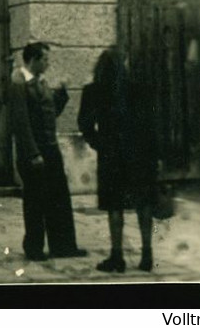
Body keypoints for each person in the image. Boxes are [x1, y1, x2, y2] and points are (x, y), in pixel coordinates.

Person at [78, 46, 158, 274]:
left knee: (115, 205)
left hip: (111, 156)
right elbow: (151, 125)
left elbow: (84, 123)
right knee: (143, 203)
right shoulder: (140, 89)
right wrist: (154, 155)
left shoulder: (93, 90)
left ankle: (117, 256)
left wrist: (99, 144)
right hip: (140, 155)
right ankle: (146, 255)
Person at [9, 41, 87, 262]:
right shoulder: (19, 83)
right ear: (33, 60)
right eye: (45, 59)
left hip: (50, 149)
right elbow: (21, 123)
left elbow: (51, 112)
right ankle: (33, 248)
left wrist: (61, 92)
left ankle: (63, 246)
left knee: (59, 199)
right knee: (35, 201)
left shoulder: (40, 82)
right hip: (34, 152)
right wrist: (32, 153)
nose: (48, 63)